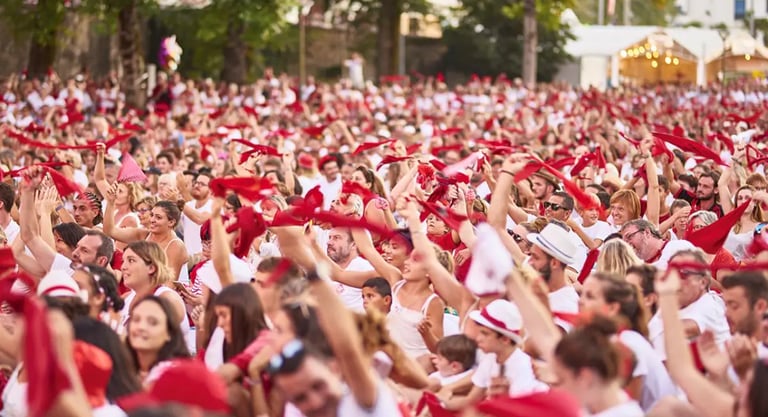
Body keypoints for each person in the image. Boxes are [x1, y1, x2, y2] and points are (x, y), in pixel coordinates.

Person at [440, 299, 547, 410]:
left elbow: (517, 410)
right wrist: (439, 402)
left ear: (505, 339)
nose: (478, 338)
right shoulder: (491, 358)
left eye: (485, 334)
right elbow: (471, 400)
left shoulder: (521, 366)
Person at [125, 295, 191, 385]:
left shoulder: (178, 375)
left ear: (169, 332)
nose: (141, 327)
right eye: (136, 320)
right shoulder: (120, 369)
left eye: (153, 322)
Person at [721, 271, 768, 357]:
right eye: (726, 305)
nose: (726, 313)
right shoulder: (728, 348)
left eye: (734, 306)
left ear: (760, 307)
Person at [620, 219, 695, 270]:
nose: (627, 244)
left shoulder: (679, 247)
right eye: (624, 241)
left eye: (629, 237)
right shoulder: (637, 268)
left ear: (647, 232)